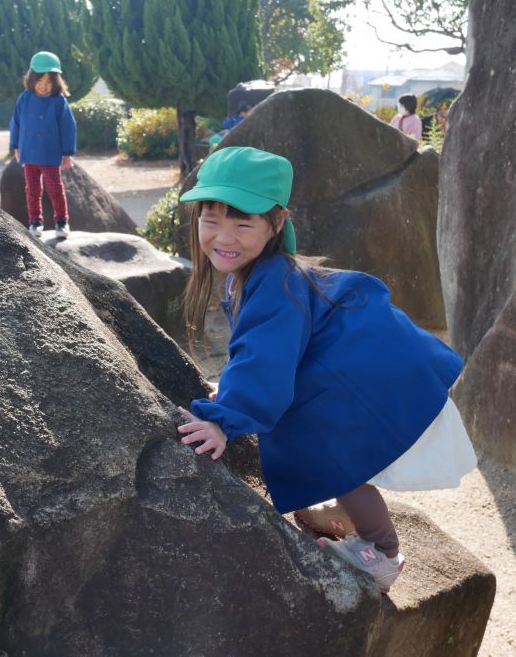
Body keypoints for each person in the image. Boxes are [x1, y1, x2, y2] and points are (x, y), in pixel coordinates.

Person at [176, 146, 477, 593]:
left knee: (338, 453)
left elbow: (266, 358)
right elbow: (257, 352)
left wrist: (224, 421)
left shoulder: (274, 281)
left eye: (243, 222)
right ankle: (342, 513)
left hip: (365, 380)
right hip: (356, 371)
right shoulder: (258, 273)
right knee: (314, 433)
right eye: (211, 219)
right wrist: (234, 393)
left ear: (276, 223)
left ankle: (381, 552)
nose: (224, 236)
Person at [9, 50, 77, 239]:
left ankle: (62, 221)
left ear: (56, 82)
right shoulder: (24, 98)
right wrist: (15, 146)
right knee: (32, 190)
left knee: (55, 188)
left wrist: (67, 153)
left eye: (48, 82)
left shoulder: (58, 101)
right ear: (32, 78)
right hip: (29, 153)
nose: (44, 86)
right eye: (40, 81)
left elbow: (68, 127)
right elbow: (15, 122)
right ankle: (35, 222)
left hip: (50, 153)